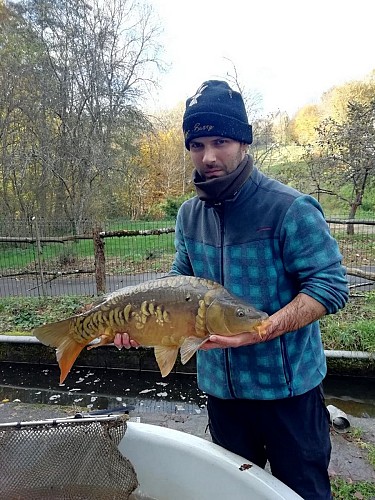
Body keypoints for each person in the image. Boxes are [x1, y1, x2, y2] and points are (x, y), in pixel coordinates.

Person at [115, 80, 349, 499]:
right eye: (197, 144)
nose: (208, 157)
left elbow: (330, 287)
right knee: (229, 492)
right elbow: (179, 279)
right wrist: (143, 322)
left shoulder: (290, 209)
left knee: (304, 493)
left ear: (243, 141)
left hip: (289, 394)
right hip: (222, 394)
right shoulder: (189, 215)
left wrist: (263, 328)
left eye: (220, 141)